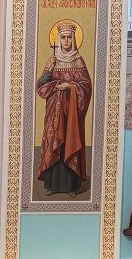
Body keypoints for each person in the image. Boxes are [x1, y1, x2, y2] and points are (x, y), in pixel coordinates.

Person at [36, 20, 92, 197]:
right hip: (55, 112)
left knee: (69, 142)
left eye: (69, 37)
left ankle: (71, 186)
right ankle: (51, 185)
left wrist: (71, 87)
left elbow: (86, 86)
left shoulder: (78, 60)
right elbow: (40, 86)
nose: (66, 41)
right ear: (58, 39)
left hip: (72, 114)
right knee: (54, 143)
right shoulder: (52, 60)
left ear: (73, 39)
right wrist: (53, 80)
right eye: (63, 38)